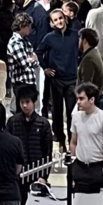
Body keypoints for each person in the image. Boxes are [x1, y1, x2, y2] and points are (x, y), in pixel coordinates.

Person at [38, 9, 79, 148]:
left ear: (65, 18)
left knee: (71, 112)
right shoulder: (49, 38)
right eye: (55, 20)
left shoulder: (75, 35)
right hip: (56, 80)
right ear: (52, 23)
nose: (59, 21)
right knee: (57, 111)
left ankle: (71, 142)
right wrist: (45, 68)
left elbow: (82, 52)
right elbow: (39, 52)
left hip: (72, 79)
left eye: (60, 18)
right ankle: (60, 139)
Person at [7, 84, 54, 204]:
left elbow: (48, 152)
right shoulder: (12, 122)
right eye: (22, 102)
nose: (24, 105)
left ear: (34, 102)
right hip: (18, 175)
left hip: (37, 174)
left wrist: (44, 176)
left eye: (27, 102)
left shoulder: (43, 124)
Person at [69, 82, 103, 194]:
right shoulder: (76, 117)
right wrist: (73, 163)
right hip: (79, 167)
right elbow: (73, 142)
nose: (78, 102)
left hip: (97, 168)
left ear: (92, 100)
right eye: (77, 98)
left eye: (81, 99)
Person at [6, 14, 39, 112]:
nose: (30, 28)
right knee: (22, 114)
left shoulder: (25, 41)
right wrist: (31, 59)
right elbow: (25, 64)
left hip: (29, 82)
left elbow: (36, 62)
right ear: (21, 26)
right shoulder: (15, 42)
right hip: (21, 84)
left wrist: (32, 59)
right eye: (28, 25)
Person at [78, 27, 103, 98]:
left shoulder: (89, 59)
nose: (78, 41)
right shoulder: (94, 53)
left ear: (84, 41)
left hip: (91, 102)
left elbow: (86, 85)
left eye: (79, 39)